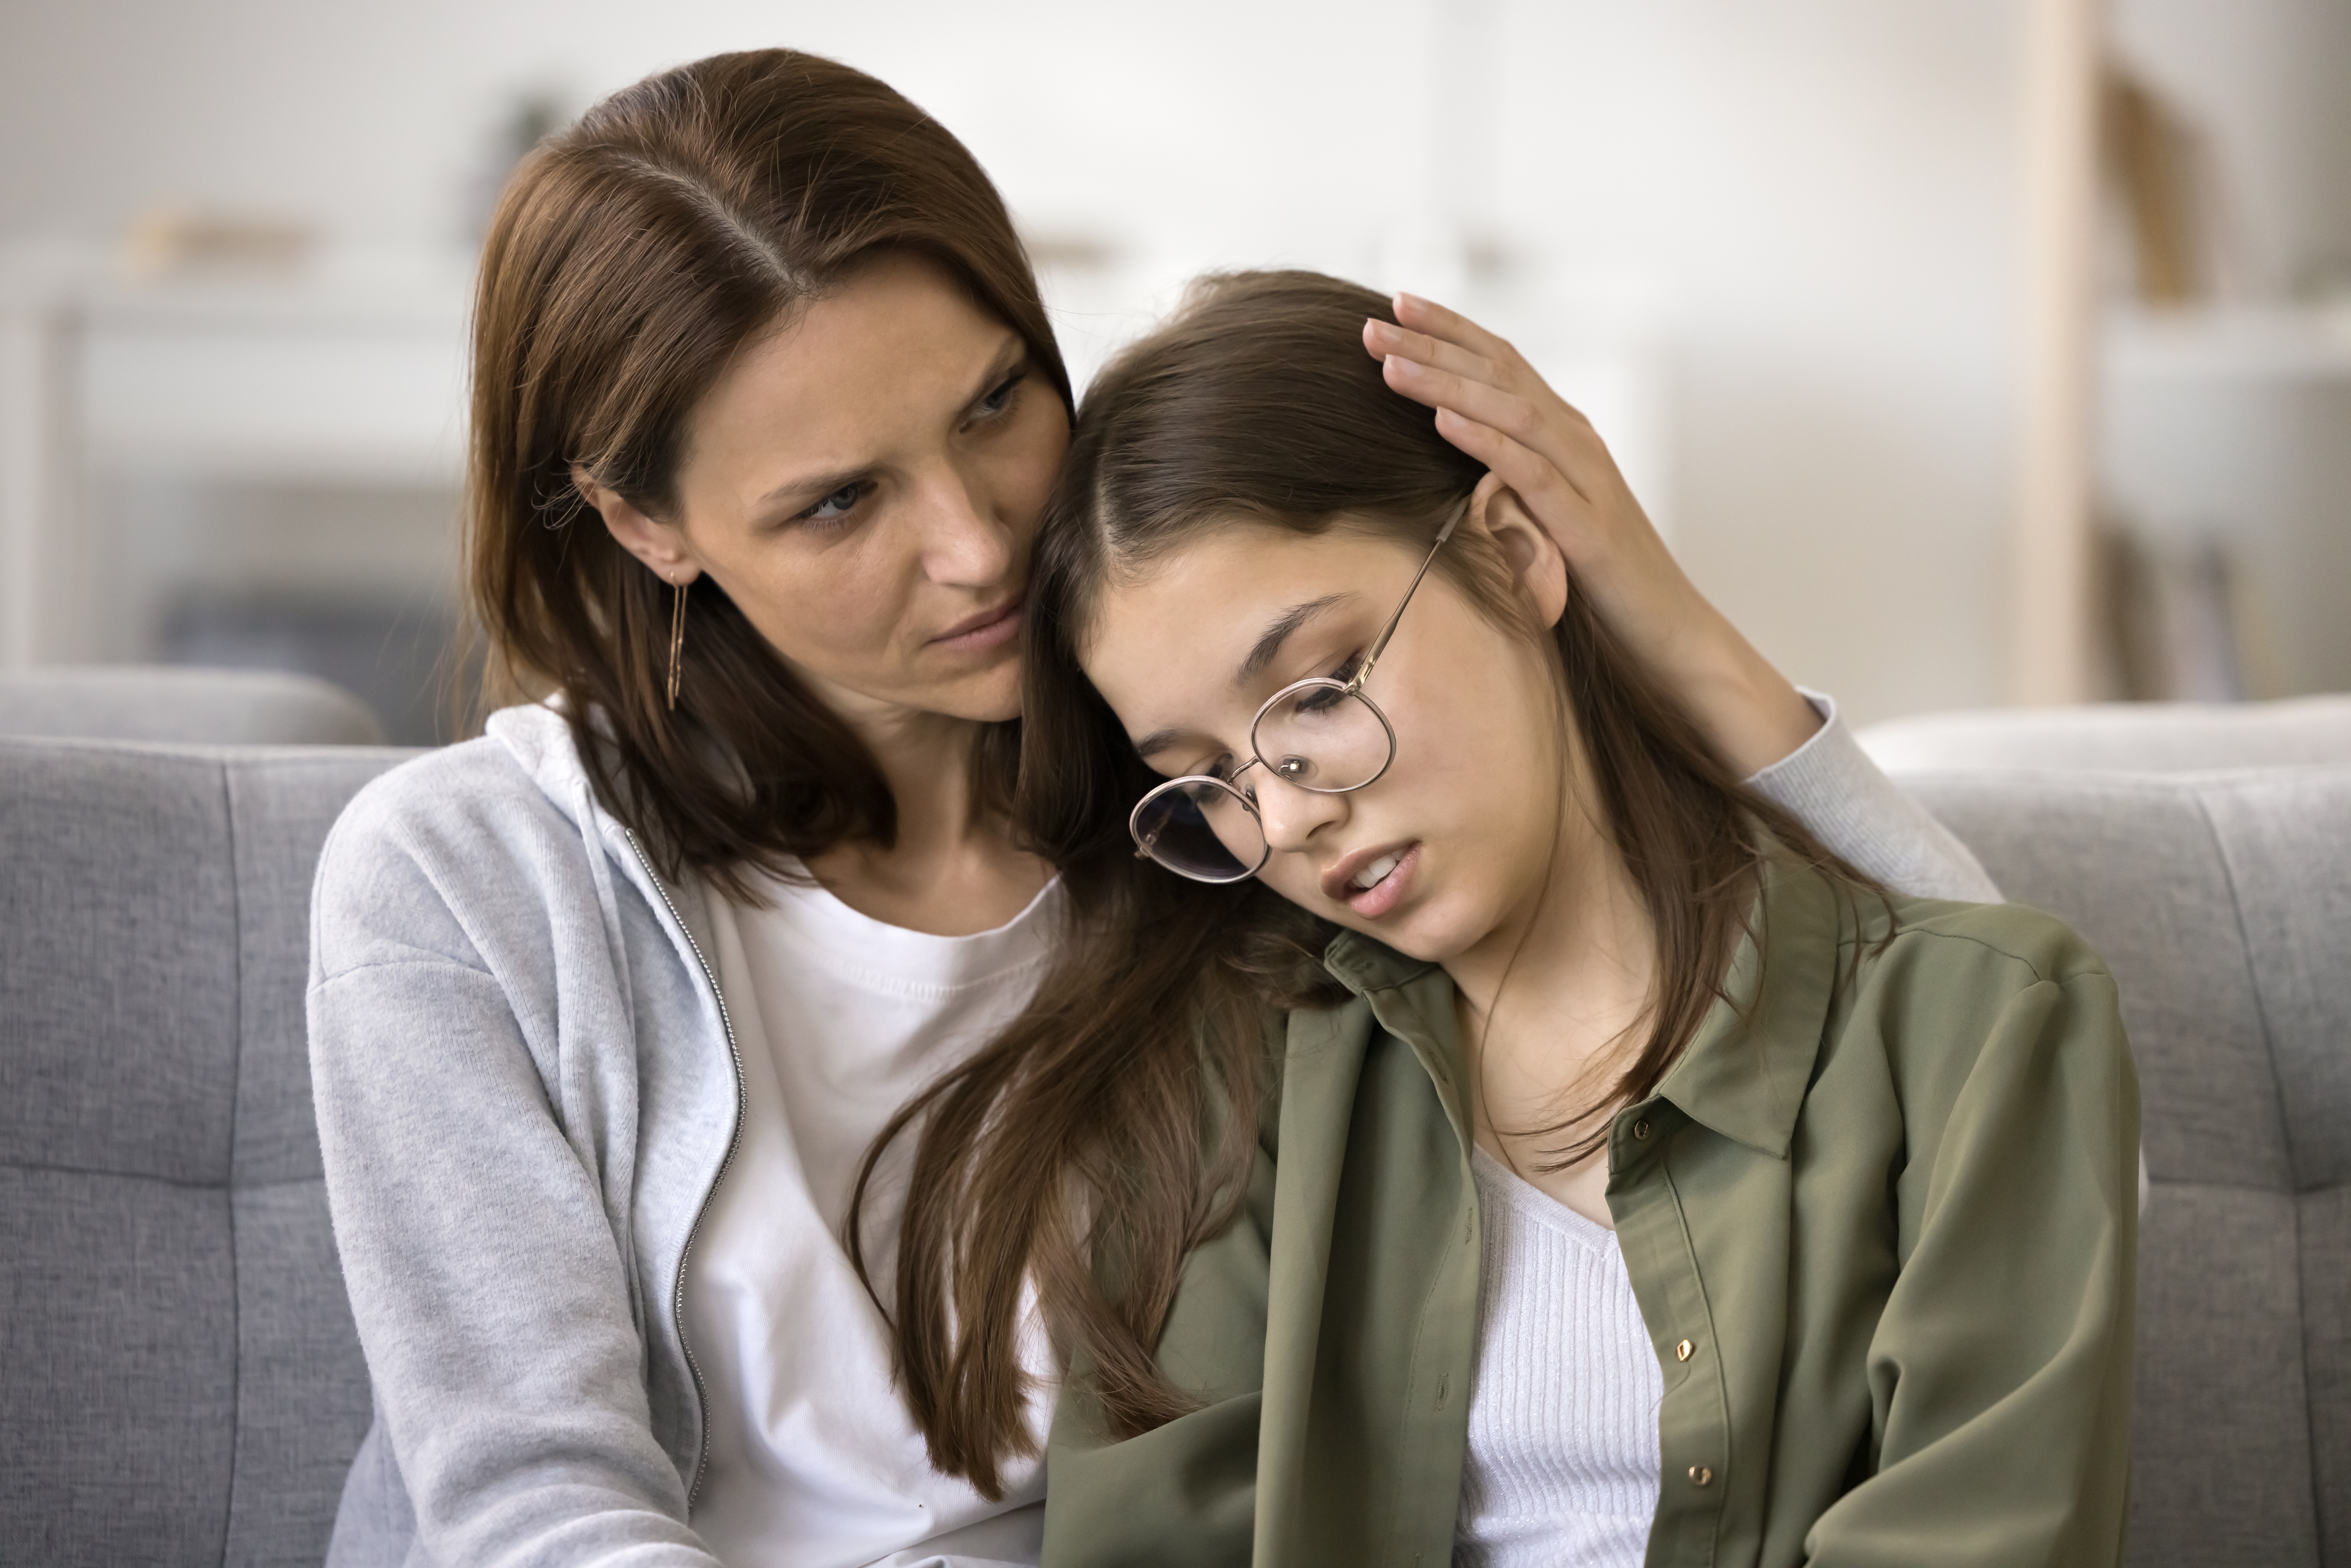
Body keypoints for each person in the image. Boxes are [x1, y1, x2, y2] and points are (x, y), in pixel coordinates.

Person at [306, 49, 1997, 1568]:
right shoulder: (473, 883)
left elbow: (1975, 1046)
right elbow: (531, 1506)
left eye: (992, 406)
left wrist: (1650, 598)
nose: (975, 545)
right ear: (645, 523)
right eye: (839, 503)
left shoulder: (1236, 810)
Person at [948, 271, 2134, 1567]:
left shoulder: (1981, 1028)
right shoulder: (1223, 1084)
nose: (1282, 823)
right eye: (1208, 777)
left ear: (1512, 556)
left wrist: (1664, 612)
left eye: (1315, 692)